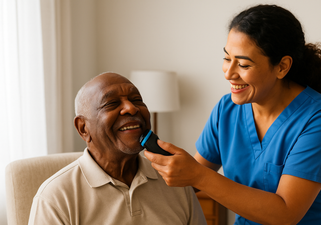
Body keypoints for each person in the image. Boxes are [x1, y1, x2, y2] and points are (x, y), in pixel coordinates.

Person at [144, 4, 321, 225]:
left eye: (243, 64)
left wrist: (197, 174)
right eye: (227, 58)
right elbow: (191, 182)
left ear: (282, 67)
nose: (229, 73)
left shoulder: (319, 118)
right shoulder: (226, 110)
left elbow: (285, 213)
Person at [28, 72, 207, 225]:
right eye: (111, 104)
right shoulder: (55, 198)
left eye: (137, 100)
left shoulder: (176, 182)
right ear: (83, 128)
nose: (131, 108)